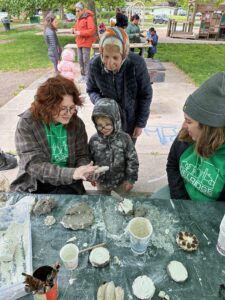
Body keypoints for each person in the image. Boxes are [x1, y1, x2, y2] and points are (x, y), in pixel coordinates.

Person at [10, 75, 97, 194]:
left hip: (68, 183)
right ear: (47, 106)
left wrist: (84, 170)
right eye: (63, 108)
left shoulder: (77, 124)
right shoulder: (28, 123)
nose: (69, 113)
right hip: (35, 184)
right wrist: (72, 173)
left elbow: (82, 155)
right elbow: (34, 165)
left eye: (72, 108)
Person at [86, 27, 152, 143]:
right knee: (107, 154)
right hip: (106, 122)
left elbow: (145, 94)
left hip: (130, 121)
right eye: (106, 56)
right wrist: (101, 102)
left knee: (127, 154)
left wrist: (140, 124)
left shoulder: (136, 64)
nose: (110, 63)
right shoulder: (94, 65)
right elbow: (91, 90)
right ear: (101, 51)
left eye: (115, 57)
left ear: (124, 54)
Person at [166, 72, 225, 201]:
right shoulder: (186, 135)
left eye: (188, 121)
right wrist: (182, 203)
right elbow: (172, 165)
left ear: (208, 128)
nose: (183, 126)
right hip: (181, 196)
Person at [89, 98, 139, 193]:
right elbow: (90, 161)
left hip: (121, 183)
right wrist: (92, 176)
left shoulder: (125, 139)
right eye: (100, 125)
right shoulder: (94, 140)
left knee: (120, 204)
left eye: (108, 124)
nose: (104, 128)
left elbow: (132, 160)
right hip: (102, 183)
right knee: (103, 204)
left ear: (116, 120)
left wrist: (130, 179)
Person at [72, 2, 96, 82]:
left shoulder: (88, 18)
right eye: (76, 11)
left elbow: (91, 31)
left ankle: (87, 77)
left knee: (86, 60)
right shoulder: (78, 18)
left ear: (82, 10)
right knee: (80, 60)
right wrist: (73, 30)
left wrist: (80, 33)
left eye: (78, 11)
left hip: (86, 43)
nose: (77, 12)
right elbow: (76, 27)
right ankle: (82, 75)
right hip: (79, 42)